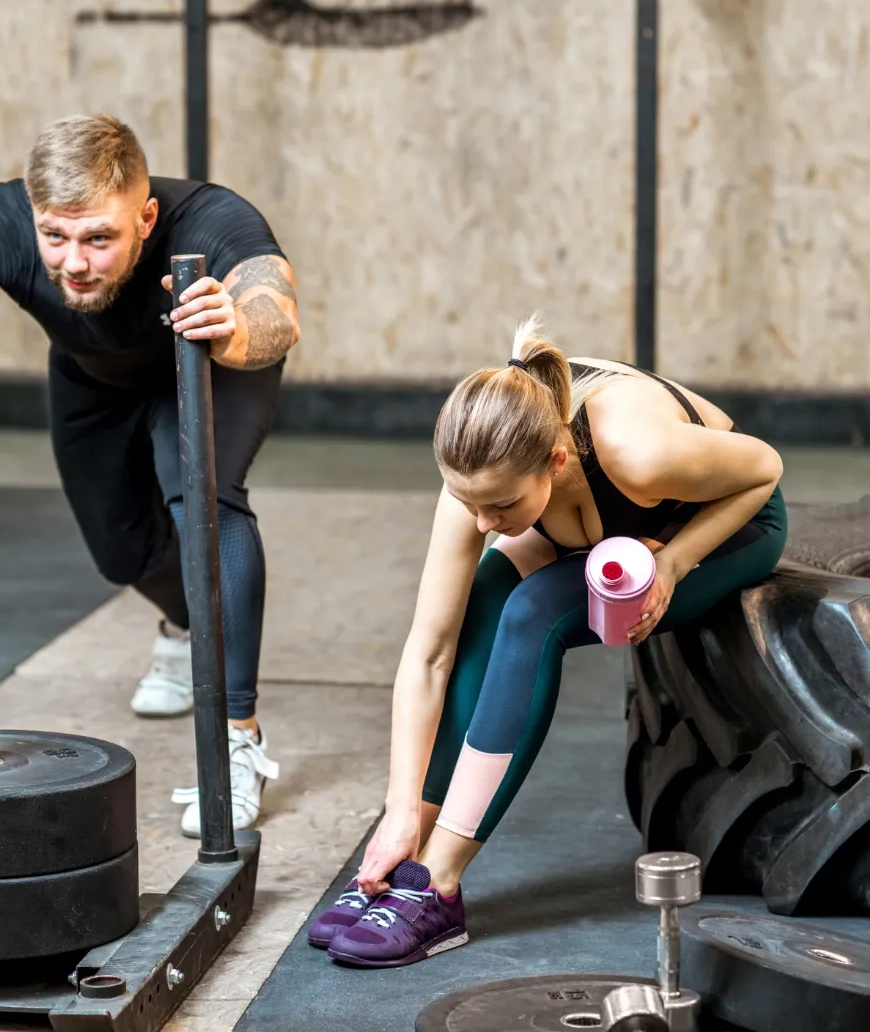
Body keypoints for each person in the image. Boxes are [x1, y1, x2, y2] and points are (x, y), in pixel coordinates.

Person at [0, 114, 300, 838]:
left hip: (211, 359)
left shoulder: (211, 218)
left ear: (146, 219)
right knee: (118, 548)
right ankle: (188, 628)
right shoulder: (3, 218)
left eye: (99, 239)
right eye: (55, 237)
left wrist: (236, 326)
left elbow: (274, 308)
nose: (75, 262)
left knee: (203, 501)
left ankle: (237, 736)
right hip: (93, 375)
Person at [307, 315, 786, 967]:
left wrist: (672, 563)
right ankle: (407, 854)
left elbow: (766, 471)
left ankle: (439, 884)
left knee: (535, 611)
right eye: (467, 501)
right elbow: (427, 656)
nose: (482, 522)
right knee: (481, 602)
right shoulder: (483, 483)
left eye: (498, 508)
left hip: (724, 525)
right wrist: (398, 811)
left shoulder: (636, 454)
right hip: (591, 525)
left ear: (556, 462)